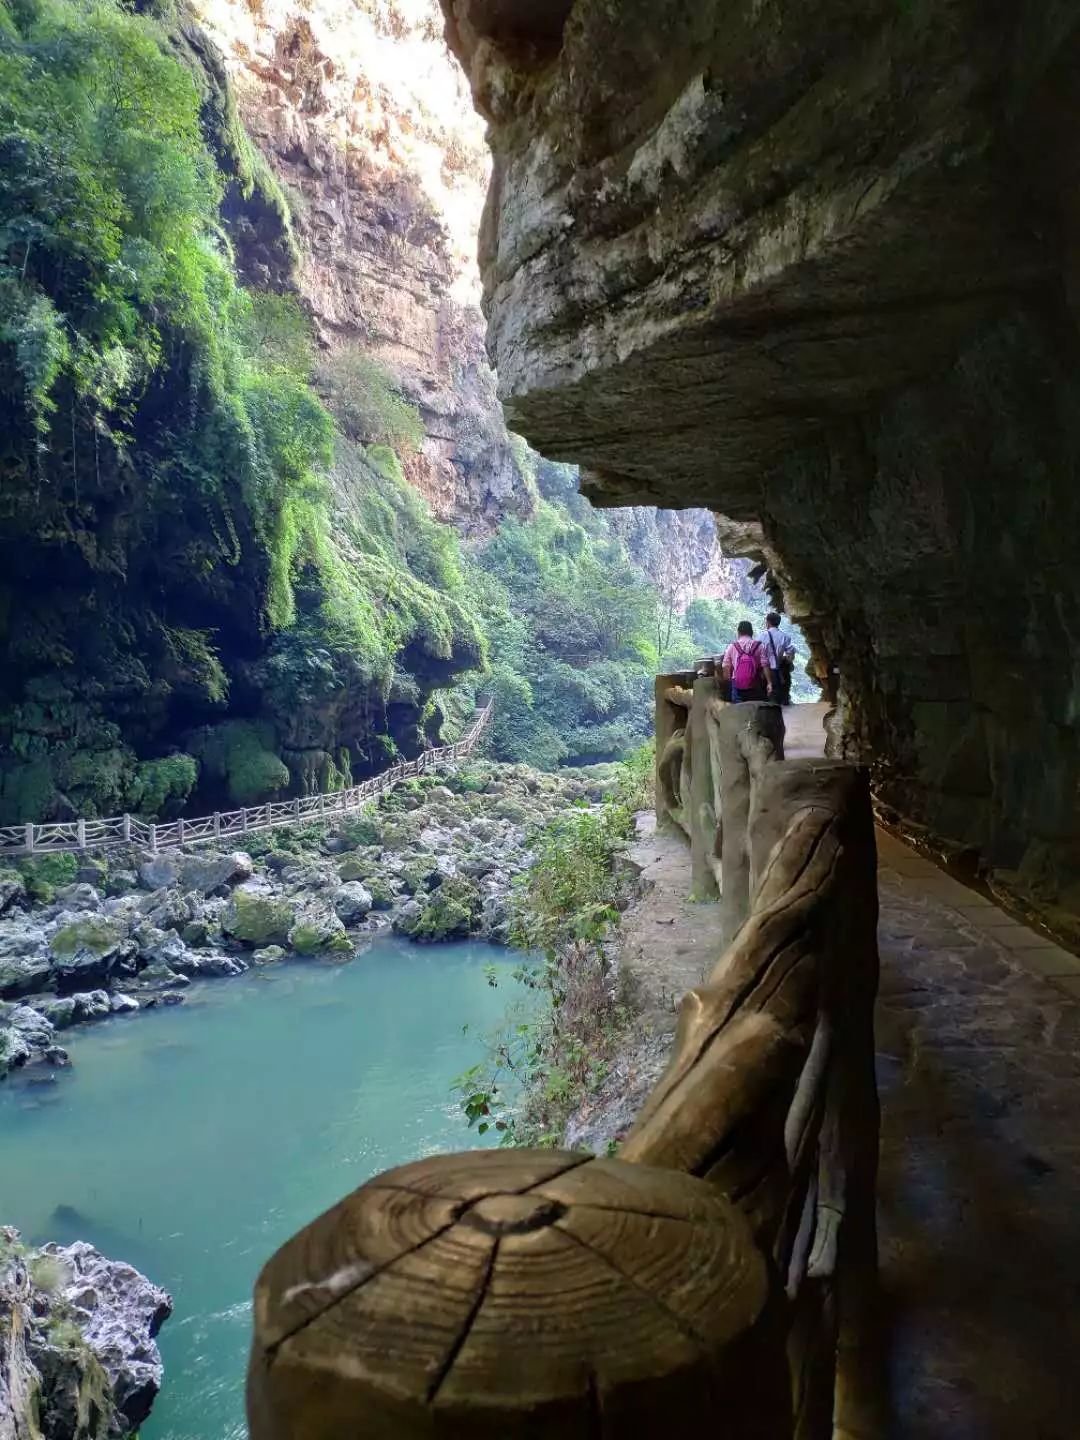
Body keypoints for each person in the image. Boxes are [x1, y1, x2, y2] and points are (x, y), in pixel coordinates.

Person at [722, 621, 772, 702]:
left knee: (738, 709)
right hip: (755, 682)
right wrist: (769, 683)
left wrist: (729, 681)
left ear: (738, 632)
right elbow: (765, 665)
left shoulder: (732, 646)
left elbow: (725, 665)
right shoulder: (759, 646)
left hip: (737, 683)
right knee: (754, 709)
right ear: (751, 632)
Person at [759, 611, 796, 706]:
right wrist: (783, 659)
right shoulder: (785, 637)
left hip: (765, 671)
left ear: (767, 622)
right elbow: (790, 654)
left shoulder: (761, 636)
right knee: (780, 694)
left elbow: (758, 653)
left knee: (767, 695)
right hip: (779, 671)